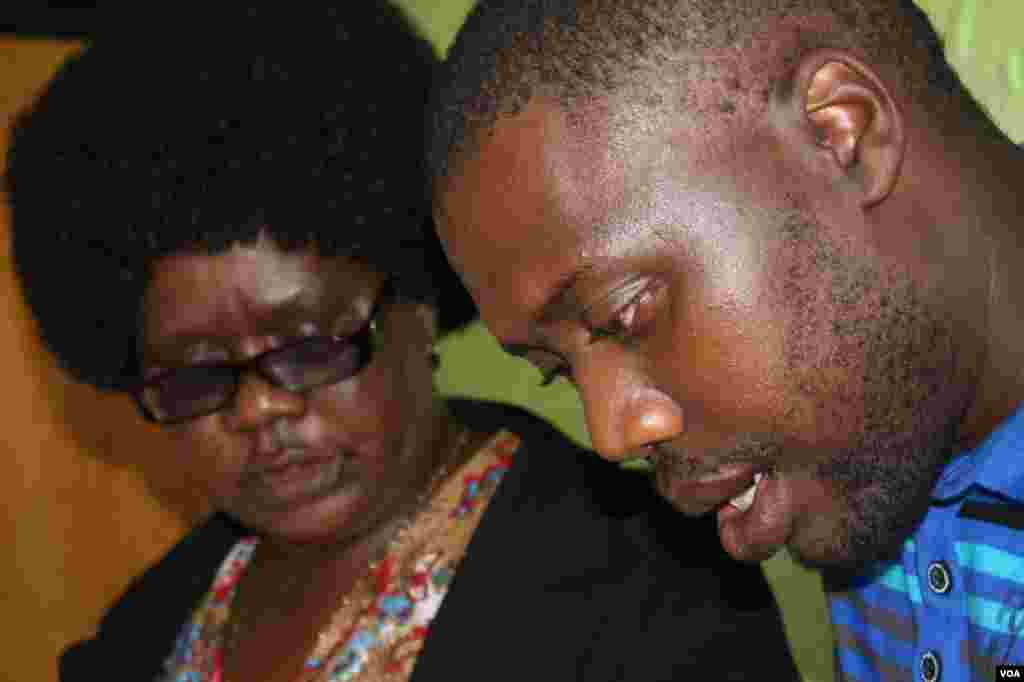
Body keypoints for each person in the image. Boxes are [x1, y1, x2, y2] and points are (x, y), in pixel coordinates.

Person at [6, 4, 799, 681]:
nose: (260, 409)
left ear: (420, 296)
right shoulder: (142, 635)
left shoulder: (655, 596)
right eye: (194, 377)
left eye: (309, 346)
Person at [427, 0, 1024, 680]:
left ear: (839, 132)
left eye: (625, 315)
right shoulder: (880, 461)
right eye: (559, 370)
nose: (614, 434)